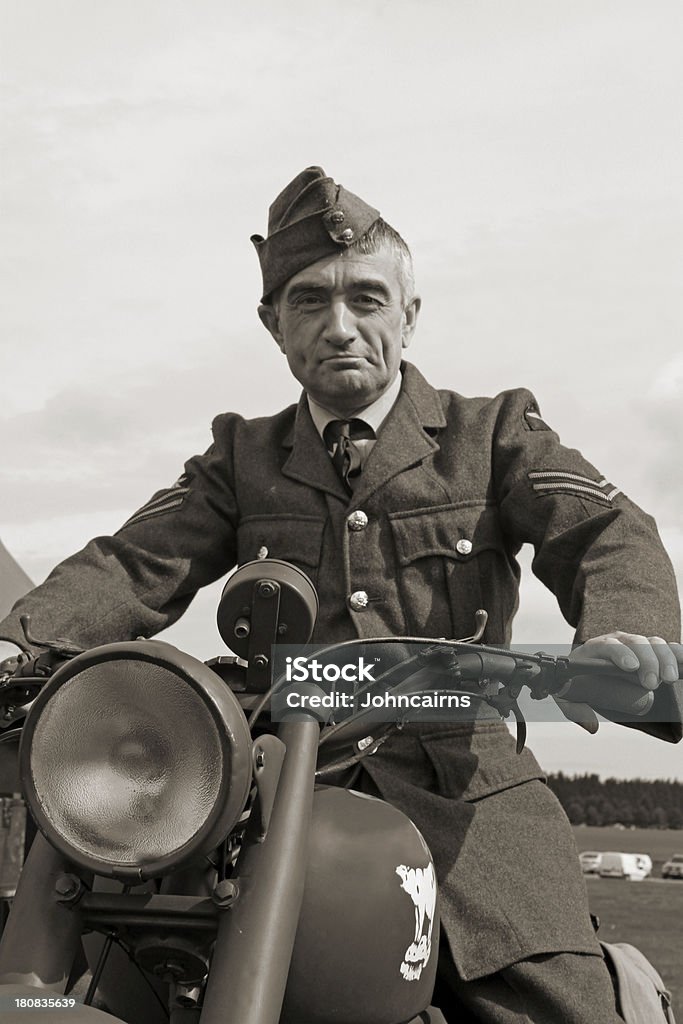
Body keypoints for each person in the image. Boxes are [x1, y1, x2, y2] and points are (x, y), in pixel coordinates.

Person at [1, 166, 681, 1023]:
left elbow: (604, 530)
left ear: (409, 313)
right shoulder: (240, 456)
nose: (340, 326)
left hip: (464, 802)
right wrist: (17, 642)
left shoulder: (494, 432)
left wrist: (624, 637)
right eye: (308, 301)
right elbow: (133, 564)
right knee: (106, 967)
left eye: (366, 298)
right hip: (257, 799)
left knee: (555, 1002)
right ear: (271, 323)